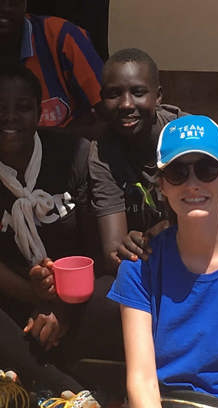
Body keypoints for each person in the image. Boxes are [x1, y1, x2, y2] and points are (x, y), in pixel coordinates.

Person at [49, 115, 218, 408]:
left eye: (206, 169)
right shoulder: (141, 263)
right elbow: (143, 379)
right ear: (162, 186)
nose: (193, 183)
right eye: (178, 172)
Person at [0, 63, 123, 408]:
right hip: (7, 299)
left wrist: (60, 307)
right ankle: (66, 387)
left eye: (22, 107)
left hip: (73, 300)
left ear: (39, 113)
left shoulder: (75, 154)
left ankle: (11, 377)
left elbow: (97, 249)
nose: (10, 118)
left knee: (123, 289)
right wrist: (31, 292)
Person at [89, 48, 185, 274]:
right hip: (148, 264)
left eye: (138, 92)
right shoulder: (103, 153)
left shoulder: (187, 136)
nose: (126, 104)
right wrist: (128, 247)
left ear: (158, 96)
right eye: (113, 94)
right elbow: (113, 254)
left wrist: (177, 229)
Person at [0, 0, 104, 129]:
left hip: (74, 149)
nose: (5, 8)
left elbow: (104, 108)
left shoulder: (63, 36)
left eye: (13, 0)